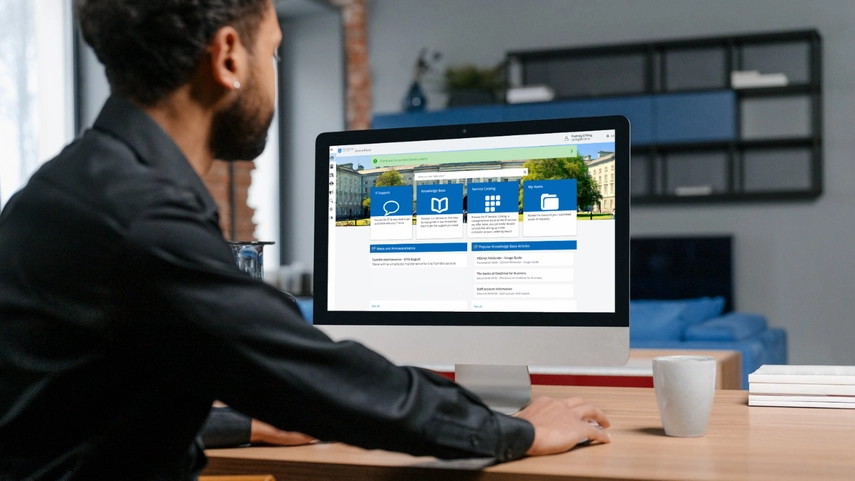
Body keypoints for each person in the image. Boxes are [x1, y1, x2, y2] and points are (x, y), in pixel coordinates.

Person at [0, 1, 611, 479]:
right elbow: (331, 384)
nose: (275, 72)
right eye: (275, 50)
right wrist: (518, 430)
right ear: (230, 57)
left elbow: (78, 414)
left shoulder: (72, 188)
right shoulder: (141, 221)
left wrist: (245, 424)